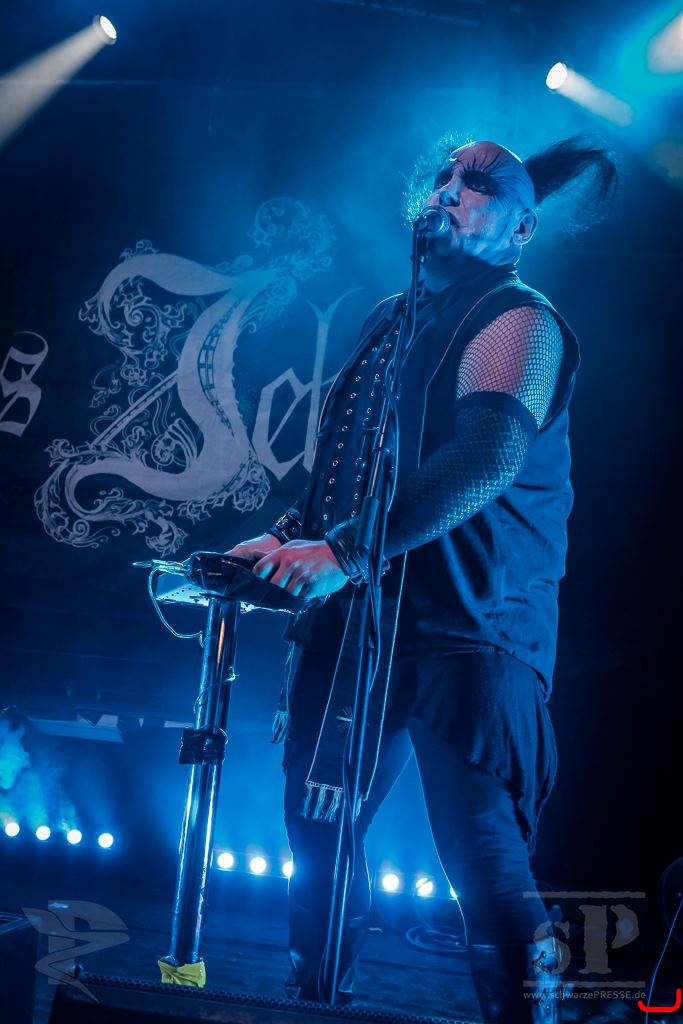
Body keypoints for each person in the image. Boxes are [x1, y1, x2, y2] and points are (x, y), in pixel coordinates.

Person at [228, 135, 618, 1023]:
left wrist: (344, 554)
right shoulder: (388, 318)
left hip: (470, 623)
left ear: (520, 228)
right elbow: (346, 468)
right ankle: (315, 1004)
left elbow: (484, 457)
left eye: (474, 184)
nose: (447, 190)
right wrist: (285, 536)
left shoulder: (518, 319)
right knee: (317, 832)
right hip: (363, 624)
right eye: (441, 176)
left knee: (480, 856)